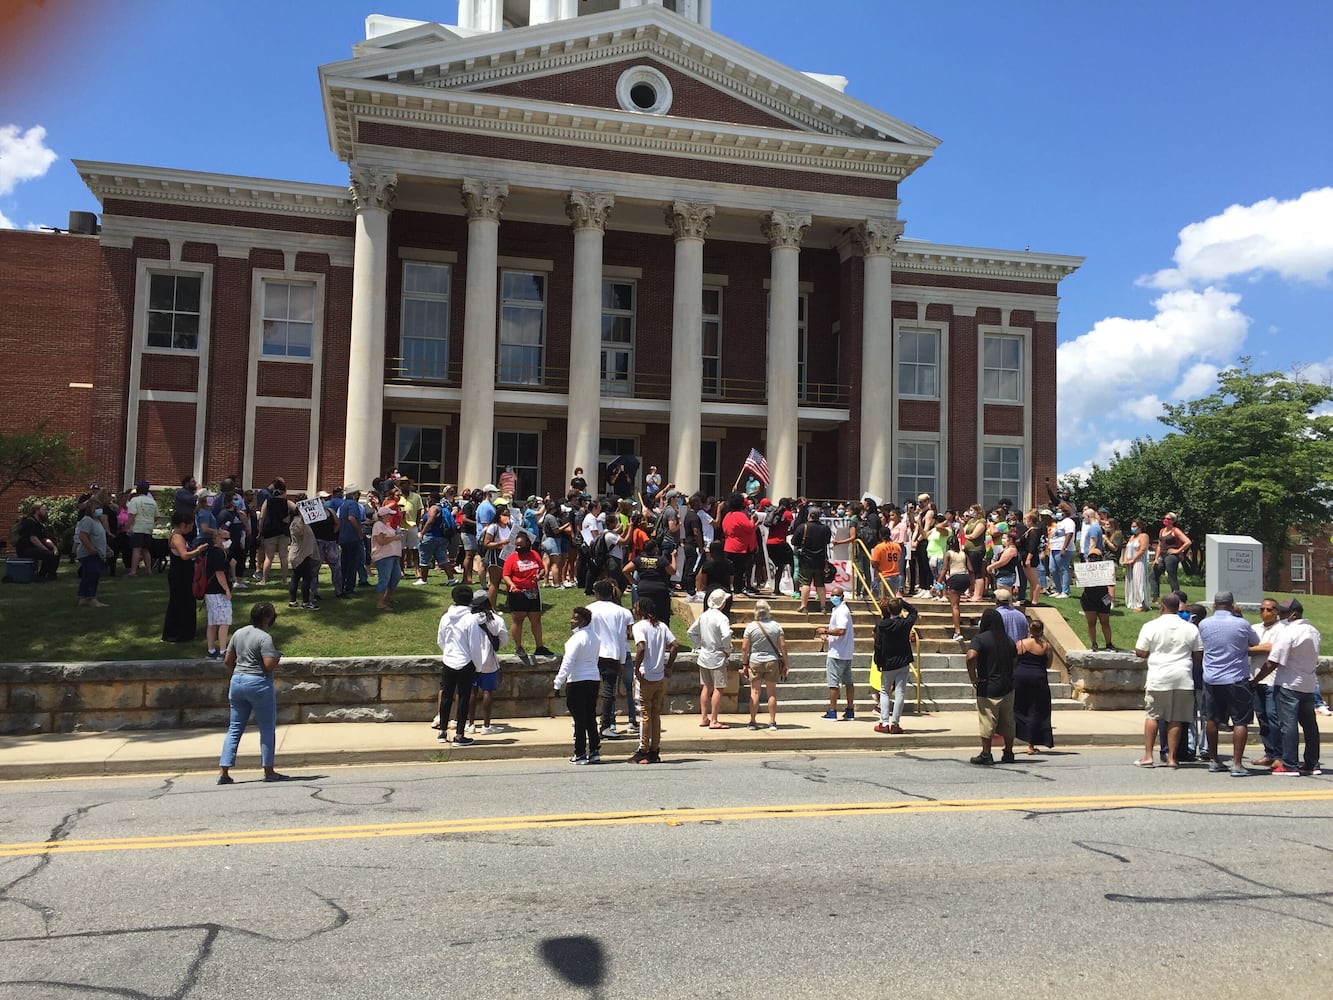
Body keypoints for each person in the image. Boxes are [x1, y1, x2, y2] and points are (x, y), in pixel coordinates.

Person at [216, 602, 288, 784]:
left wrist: (238, 671)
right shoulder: (265, 638)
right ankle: (269, 771)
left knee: (234, 728)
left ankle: (224, 772)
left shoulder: (238, 633)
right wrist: (277, 656)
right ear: (268, 618)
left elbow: (227, 660)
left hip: (237, 681)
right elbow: (269, 665)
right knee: (266, 728)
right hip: (258, 683)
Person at [1132, 594, 1203, 768]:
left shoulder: (1151, 626)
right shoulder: (1190, 628)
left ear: (1162, 607)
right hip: (1182, 677)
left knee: (1153, 716)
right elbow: (1198, 654)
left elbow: (1140, 651)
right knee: (1176, 719)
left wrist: (1154, 652)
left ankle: (1148, 756)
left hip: (1159, 676)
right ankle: (1172, 757)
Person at [1253, 598, 1322, 776]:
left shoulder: (1288, 632)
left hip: (1288, 684)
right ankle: (1311, 763)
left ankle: (1289, 764)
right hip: (1307, 684)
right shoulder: (1313, 631)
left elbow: (1273, 661)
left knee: (1288, 725)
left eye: (1283, 612)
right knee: (1309, 726)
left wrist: (1256, 679)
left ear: (1293, 614)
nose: (1280, 615)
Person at [1197, 591, 1259, 776]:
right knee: (1240, 721)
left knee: (1212, 719)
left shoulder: (1204, 624)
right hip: (1236, 678)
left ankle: (1214, 760)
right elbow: (1255, 642)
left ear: (1215, 605)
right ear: (1232, 605)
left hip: (1212, 679)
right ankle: (1237, 764)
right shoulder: (1241, 623)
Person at [966, 608, 1017, 765]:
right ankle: (1008, 752)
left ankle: (986, 753)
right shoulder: (1008, 640)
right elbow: (1015, 661)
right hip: (1007, 686)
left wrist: (973, 677)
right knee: (1008, 721)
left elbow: (971, 656)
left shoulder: (980, 639)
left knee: (987, 720)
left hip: (988, 686)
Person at [630, 598, 678, 764]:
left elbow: (641, 647)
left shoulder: (639, 627)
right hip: (659, 677)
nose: (633, 610)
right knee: (655, 713)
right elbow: (674, 645)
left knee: (644, 713)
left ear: (641, 610)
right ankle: (654, 749)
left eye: (635, 607)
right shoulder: (662, 626)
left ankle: (643, 749)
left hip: (645, 676)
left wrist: (636, 668)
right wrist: (669, 666)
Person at [588, 578, 636, 740]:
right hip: (613, 655)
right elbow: (623, 639)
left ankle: (588, 724)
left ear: (597, 593)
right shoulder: (623, 612)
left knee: (591, 692)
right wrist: (622, 661)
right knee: (609, 692)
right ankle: (606, 726)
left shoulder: (589, 609)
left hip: (593, 654)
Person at [554, 605, 602, 764]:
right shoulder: (595, 637)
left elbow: (568, 662)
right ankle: (594, 750)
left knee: (579, 718)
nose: (571, 621)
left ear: (584, 621)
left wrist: (558, 682)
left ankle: (580, 753)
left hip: (577, 681)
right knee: (590, 716)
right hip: (593, 679)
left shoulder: (575, 639)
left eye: (575, 618)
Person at [436, 584, 479, 746]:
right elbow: (474, 645)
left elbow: (440, 640)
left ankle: (442, 732)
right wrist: (477, 664)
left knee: (446, 696)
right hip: (466, 662)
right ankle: (460, 734)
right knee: (463, 697)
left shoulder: (446, 617)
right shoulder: (470, 619)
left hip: (448, 660)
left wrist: (448, 652)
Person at [464, 592, 509, 735]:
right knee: (487, 691)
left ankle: (470, 724)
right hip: (489, 660)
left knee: (471, 692)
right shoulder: (496, 619)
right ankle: (486, 726)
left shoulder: (469, 619)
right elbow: (503, 641)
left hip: (471, 659)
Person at [1247, 598, 1284, 769]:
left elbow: (1271, 648)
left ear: (1276, 611)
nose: (1264, 612)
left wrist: (1251, 649)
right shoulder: (1254, 628)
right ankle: (1269, 753)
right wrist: (1255, 649)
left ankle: (1280, 755)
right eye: (1261, 609)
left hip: (1273, 680)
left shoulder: (1282, 629)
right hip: (1255, 678)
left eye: (1268, 609)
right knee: (1262, 718)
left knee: (1273, 717)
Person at [502, 530, 552, 657]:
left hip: (533, 592)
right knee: (518, 620)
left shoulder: (534, 554)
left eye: (521, 545)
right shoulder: (512, 558)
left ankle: (539, 646)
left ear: (528, 544)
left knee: (536, 619)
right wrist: (511, 584)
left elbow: (541, 568)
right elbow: (506, 575)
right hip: (518, 592)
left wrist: (540, 575)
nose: (518, 548)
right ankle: (518, 647)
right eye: (517, 545)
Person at [872, 595, 917, 734]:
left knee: (885, 691)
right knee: (900, 692)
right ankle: (895, 723)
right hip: (902, 661)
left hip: (887, 661)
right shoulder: (904, 624)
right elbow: (914, 612)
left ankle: (884, 722)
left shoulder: (882, 625)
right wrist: (902, 603)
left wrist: (878, 661)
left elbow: (878, 645)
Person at [688, 589, 733, 730]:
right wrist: (727, 649)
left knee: (706, 687)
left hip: (705, 655)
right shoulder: (722, 618)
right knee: (719, 688)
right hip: (717, 656)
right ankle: (714, 720)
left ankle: (704, 717)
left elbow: (691, 632)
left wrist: (699, 645)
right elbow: (726, 635)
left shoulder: (704, 615)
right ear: (722, 603)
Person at [742, 600, 788, 731]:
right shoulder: (776, 626)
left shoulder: (751, 627)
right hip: (772, 660)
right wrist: (786, 663)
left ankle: (752, 721)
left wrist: (744, 663)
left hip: (755, 660)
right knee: (771, 692)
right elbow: (783, 646)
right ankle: (772, 721)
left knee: (755, 691)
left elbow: (745, 648)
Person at [162, 510, 208, 641]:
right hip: (179, 575)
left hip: (184, 574)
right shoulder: (177, 537)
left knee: (186, 602)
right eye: (190, 526)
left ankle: (186, 631)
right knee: (180, 602)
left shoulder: (179, 536)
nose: (191, 528)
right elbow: (184, 555)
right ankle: (178, 632)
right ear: (182, 525)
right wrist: (198, 551)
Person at [1013, 618, 1054, 753]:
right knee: (1036, 709)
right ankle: (1031, 745)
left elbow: (1013, 661)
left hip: (1020, 677)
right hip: (1038, 679)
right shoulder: (1046, 647)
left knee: (1018, 707)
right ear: (1042, 631)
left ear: (1029, 630)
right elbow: (1048, 664)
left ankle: (1011, 741)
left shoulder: (1020, 644)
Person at [816, 584, 856, 721]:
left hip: (837, 653)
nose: (833, 598)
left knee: (833, 683)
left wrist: (825, 631)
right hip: (845, 651)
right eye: (832, 595)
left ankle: (832, 710)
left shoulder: (841, 611)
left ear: (842, 597)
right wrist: (828, 637)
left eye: (836, 595)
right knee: (848, 682)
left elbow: (841, 630)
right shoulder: (839, 610)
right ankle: (850, 710)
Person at [622, 537, 674, 626]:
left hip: (644, 589)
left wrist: (634, 582)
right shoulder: (661, 560)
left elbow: (625, 570)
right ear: (655, 549)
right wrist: (674, 557)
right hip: (659, 590)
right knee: (662, 615)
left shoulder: (639, 559)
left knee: (644, 613)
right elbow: (672, 571)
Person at [73, 494, 112, 608]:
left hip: (97, 552)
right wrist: (91, 548)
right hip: (88, 554)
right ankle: (91, 597)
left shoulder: (97, 521)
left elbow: (99, 538)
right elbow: (83, 536)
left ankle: (83, 597)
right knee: (93, 574)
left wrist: (107, 548)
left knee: (87, 575)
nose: (99, 510)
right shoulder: (87, 520)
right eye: (96, 508)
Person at [793, 507, 832, 613]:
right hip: (820, 561)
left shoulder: (803, 527)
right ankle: (823, 606)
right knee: (820, 584)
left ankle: (804, 606)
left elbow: (794, 541)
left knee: (805, 583)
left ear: (809, 515)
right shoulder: (825, 528)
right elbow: (827, 542)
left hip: (806, 561)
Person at [203, 525, 234, 659]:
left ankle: (211, 649)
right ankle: (223, 650)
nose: (228, 540)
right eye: (225, 538)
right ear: (217, 539)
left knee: (212, 622)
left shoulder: (210, 552)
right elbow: (219, 573)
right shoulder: (219, 553)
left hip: (210, 591)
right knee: (224, 621)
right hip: (217, 592)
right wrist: (227, 589)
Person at [256, 483, 296, 586]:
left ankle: (264, 580)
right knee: (283, 556)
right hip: (283, 531)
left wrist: (260, 531)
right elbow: (298, 510)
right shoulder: (287, 503)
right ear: (284, 492)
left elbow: (262, 517)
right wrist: (290, 517)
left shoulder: (267, 502)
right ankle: (284, 580)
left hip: (270, 531)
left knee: (269, 557)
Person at [14, 502, 61, 581]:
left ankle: (51, 574)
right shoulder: (30, 522)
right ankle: (41, 576)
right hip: (24, 549)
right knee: (47, 554)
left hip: (33, 547)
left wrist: (54, 547)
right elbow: (33, 539)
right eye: (44, 510)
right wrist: (45, 549)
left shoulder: (39, 524)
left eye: (47, 510)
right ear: (37, 510)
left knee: (56, 552)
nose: (46, 512)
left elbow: (44, 539)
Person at [370, 503, 404, 611]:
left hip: (392, 555)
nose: (391, 516)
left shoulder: (387, 526)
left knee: (396, 577)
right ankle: (380, 603)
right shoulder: (378, 525)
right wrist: (395, 537)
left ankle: (386, 598)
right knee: (384, 579)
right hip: (384, 556)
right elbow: (381, 541)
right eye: (389, 514)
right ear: (384, 515)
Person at [1151, 513, 1191, 601]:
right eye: (1164, 518)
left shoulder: (1175, 531)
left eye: (1168, 519)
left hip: (1172, 556)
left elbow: (1188, 542)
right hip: (1162, 555)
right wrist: (1156, 558)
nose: (1165, 520)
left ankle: (1177, 597)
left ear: (1173, 521)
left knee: (1171, 576)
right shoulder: (1162, 531)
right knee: (1154, 574)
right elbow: (1159, 545)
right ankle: (1155, 597)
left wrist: (1177, 550)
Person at [125, 481, 158, 577]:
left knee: (136, 549)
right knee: (145, 549)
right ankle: (149, 570)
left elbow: (131, 515)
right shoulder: (152, 501)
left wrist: (129, 527)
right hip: (148, 527)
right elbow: (156, 516)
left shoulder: (134, 501)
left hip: (137, 527)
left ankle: (133, 571)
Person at [287, 511, 319, 610]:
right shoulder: (296, 522)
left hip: (303, 554)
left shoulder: (303, 522)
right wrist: (301, 519)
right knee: (306, 579)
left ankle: (293, 601)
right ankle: (306, 602)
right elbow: (297, 533)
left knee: (295, 578)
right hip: (300, 555)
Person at [337, 486, 366, 597]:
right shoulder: (353, 504)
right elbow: (351, 518)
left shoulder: (343, 505)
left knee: (344, 564)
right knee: (352, 564)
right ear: (354, 494)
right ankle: (349, 589)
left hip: (344, 538)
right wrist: (359, 533)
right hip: (352, 538)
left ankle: (341, 587)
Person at [939, 539, 970, 641]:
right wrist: (972, 585)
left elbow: (944, 569)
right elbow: (971, 569)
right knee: (957, 603)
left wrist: (938, 583)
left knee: (955, 606)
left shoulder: (948, 554)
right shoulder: (963, 554)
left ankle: (958, 632)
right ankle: (958, 621)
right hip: (965, 578)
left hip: (955, 578)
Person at [1121, 518, 1150, 612]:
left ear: (1140, 527)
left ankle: (1141, 604)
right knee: (1130, 582)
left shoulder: (1144, 536)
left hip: (1139, 562)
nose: (1132, 528)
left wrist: (1133, 559)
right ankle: (1131, 602)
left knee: (1139, 582)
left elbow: (1143, 549)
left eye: (1134, 526)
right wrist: (1125, 559)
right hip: (1129, 562)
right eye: (1132, 526)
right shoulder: (1132, 537)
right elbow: (1127, 548)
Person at [1048, 502, 1076, 599]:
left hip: (1063, 548)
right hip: (1054, 547)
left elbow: (1069, 534)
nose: (1058, 513)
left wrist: (1064, 548)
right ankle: (1058, 590)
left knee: (1063, 568)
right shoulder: (1059, 523)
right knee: (1052, 569)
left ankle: (1065, 591)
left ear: (1065, 512)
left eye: (1060, 511)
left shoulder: (1069, 522)